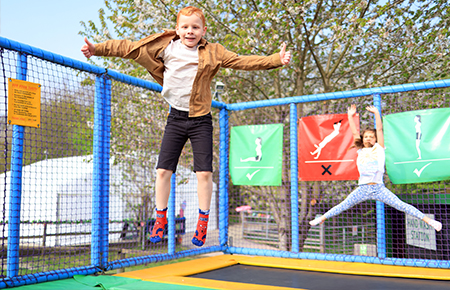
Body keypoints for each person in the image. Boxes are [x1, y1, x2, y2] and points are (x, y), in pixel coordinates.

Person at [81, 6, 291, 247]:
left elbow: (242, 61)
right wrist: (97, 49)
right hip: (176, 118)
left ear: (203, 30)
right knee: (163, 171)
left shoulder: (214, 52)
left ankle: (202, 223)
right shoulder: (165, 46)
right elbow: (127, 48)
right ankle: (160, 219)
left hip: (201, 119)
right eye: (185, 27)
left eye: (195, 27)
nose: (190, 32)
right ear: (177, 28)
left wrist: (275, 59)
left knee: (204, 173)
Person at [309, 105, 442, 232]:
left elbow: (379, 129)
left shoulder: (379, 148)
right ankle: (321, 218)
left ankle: (429, 221)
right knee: (343, 205)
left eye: (371, 137)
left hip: (378, 188)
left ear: (375, 139)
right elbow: (354, 131)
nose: (368, 138)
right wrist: (350, 116)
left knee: (401, 205)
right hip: (363, 188)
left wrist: (377, 114)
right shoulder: (360, 150)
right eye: (366, 136)